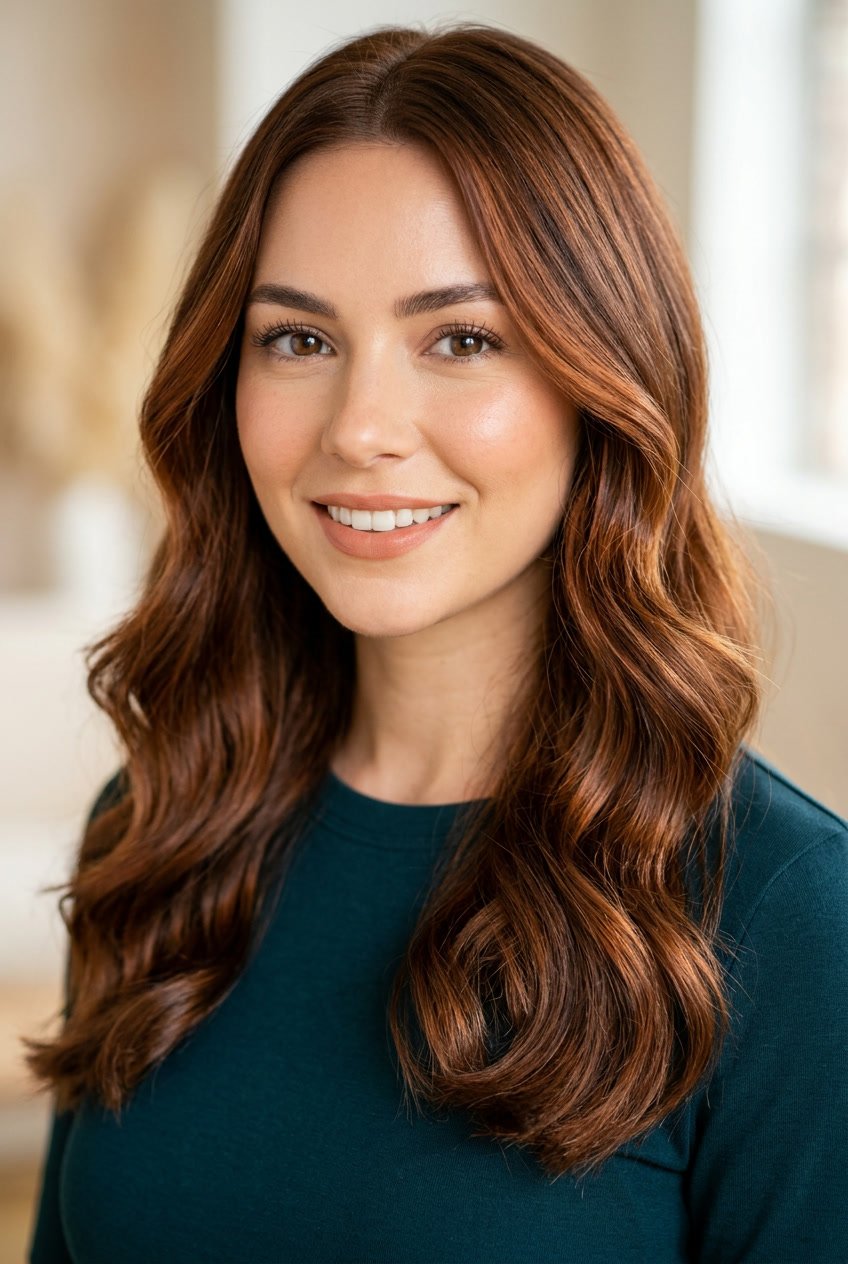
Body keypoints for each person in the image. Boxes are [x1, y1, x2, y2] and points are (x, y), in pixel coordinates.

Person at [23, 20, 848, 1264]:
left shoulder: (784, 922)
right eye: (296, 338)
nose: (360, 427)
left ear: (603, 378)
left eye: (461, 339)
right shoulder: (157, 827)